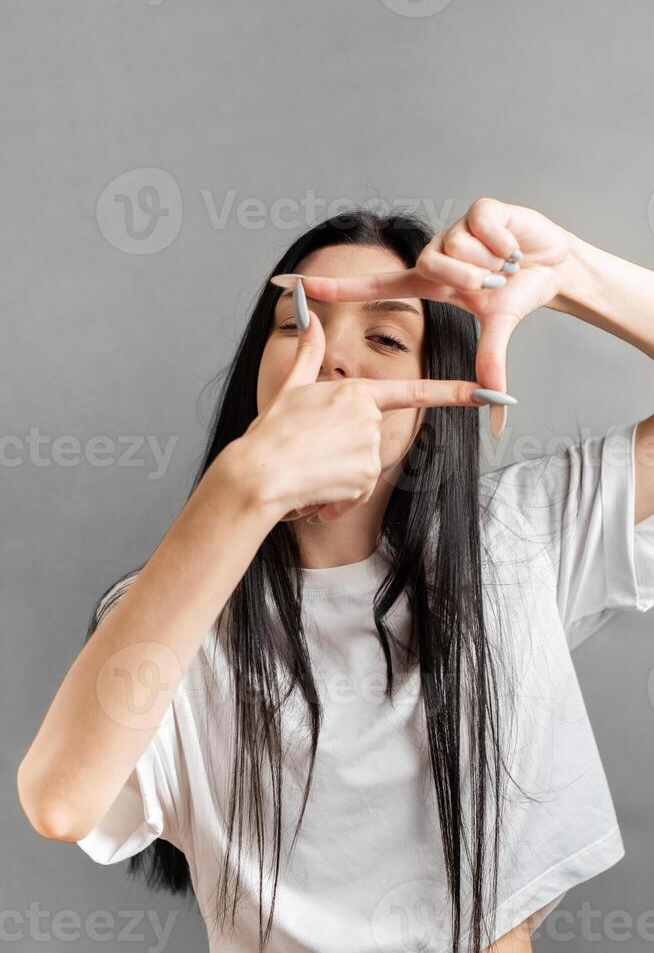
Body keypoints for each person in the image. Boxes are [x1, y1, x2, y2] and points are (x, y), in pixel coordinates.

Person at [17, 198, 654, 953]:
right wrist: (241, 489)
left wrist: (573, 271)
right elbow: (60, 802)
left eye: (385, 335)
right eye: (297, 322)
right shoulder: (177, 608)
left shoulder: (513, 538)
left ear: (433, 394)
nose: (332, 356)